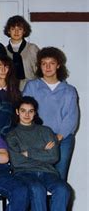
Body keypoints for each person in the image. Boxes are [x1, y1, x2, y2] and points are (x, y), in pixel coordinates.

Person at [6, 96, 70, 211]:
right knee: (36, 188)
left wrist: (29, 153)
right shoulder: (12, 135)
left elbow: (54, 157)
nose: (27, 115)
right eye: (23, 111)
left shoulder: (46, 131)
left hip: (48, 172)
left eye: (30, 111)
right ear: (17, 112)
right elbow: (17, 162)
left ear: (35, 113)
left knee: (63, 189)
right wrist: (42, 152)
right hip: (24, 173)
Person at [23, 47, 78, 182]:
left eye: (52, 63)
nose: (47, 67)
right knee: (37, 181)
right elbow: (26, 113)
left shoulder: (69, 90)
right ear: (39, 66)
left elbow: (71, 117)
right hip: (36, 140)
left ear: (58, 65)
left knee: (59, 180)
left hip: (62, 139)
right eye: (44, 63)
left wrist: (57, 138)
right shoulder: (32, 86)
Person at [4, 15, 39, 89]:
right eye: (13, 29)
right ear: (8, 31)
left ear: (24, 31)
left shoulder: (32, 49)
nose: (16, 32)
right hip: (10, 89)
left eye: (20, 29)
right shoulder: (4, 50)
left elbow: (40, 71)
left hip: (31, 88)